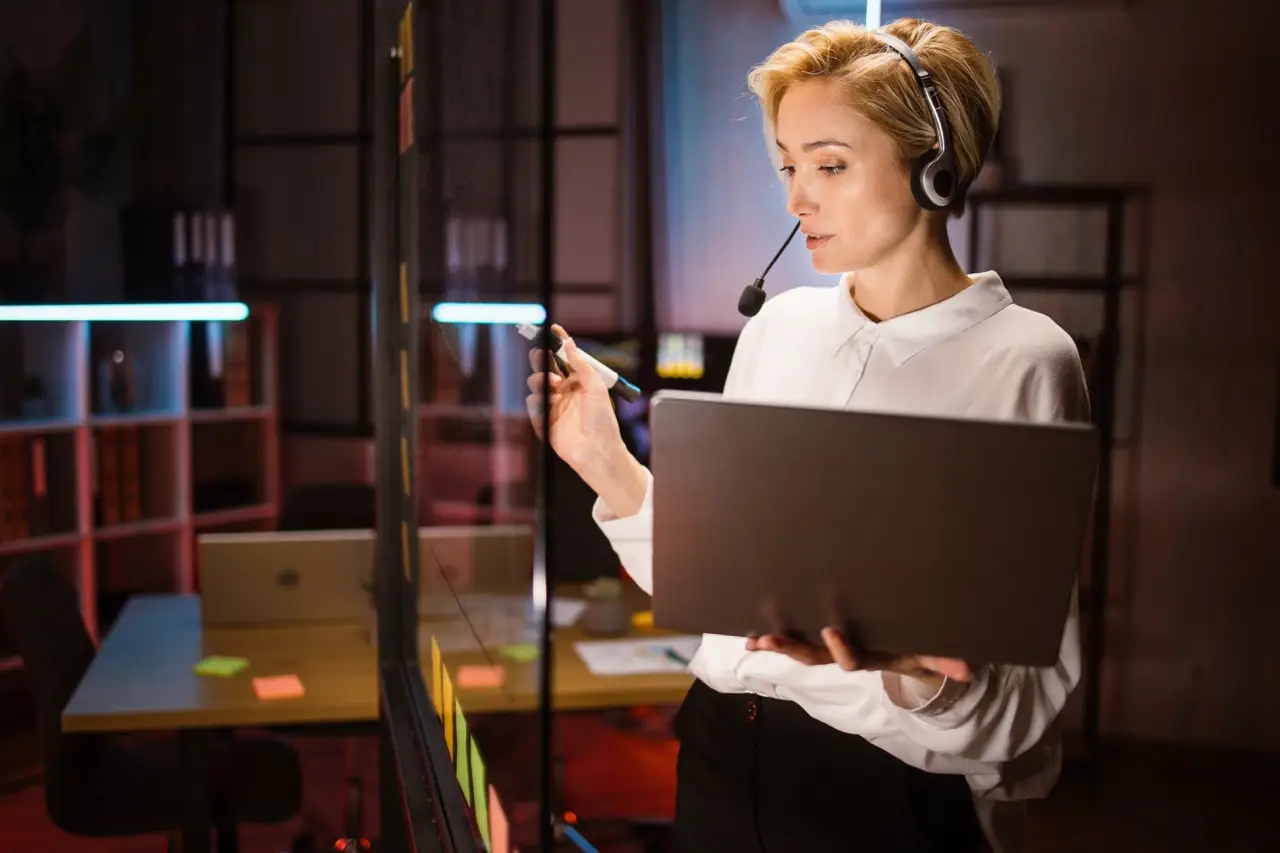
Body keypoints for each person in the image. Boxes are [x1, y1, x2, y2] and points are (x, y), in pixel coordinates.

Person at [527, 17, 1089, 853]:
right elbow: (725, 584)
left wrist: (910, 670)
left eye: (830, 164)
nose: (797, 199)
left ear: (932, 164)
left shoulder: (1026, 359)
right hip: (718, 751)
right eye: (789, 167)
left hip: (880, 791)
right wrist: (607, 463)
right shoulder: (779, 328)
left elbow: (1020, 709)